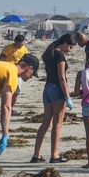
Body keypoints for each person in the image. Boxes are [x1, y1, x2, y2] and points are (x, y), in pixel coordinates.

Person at [31, 34, 75, 164]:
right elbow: (62, 77)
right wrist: (67, 96)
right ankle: (54, 155)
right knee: (57, 124)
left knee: (46, 123)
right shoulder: (60, 56)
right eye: (70, 47)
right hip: (57, 89)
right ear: (65, 43)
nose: (70, 50)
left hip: (47, 88)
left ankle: (36, 154)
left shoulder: (49, 53)